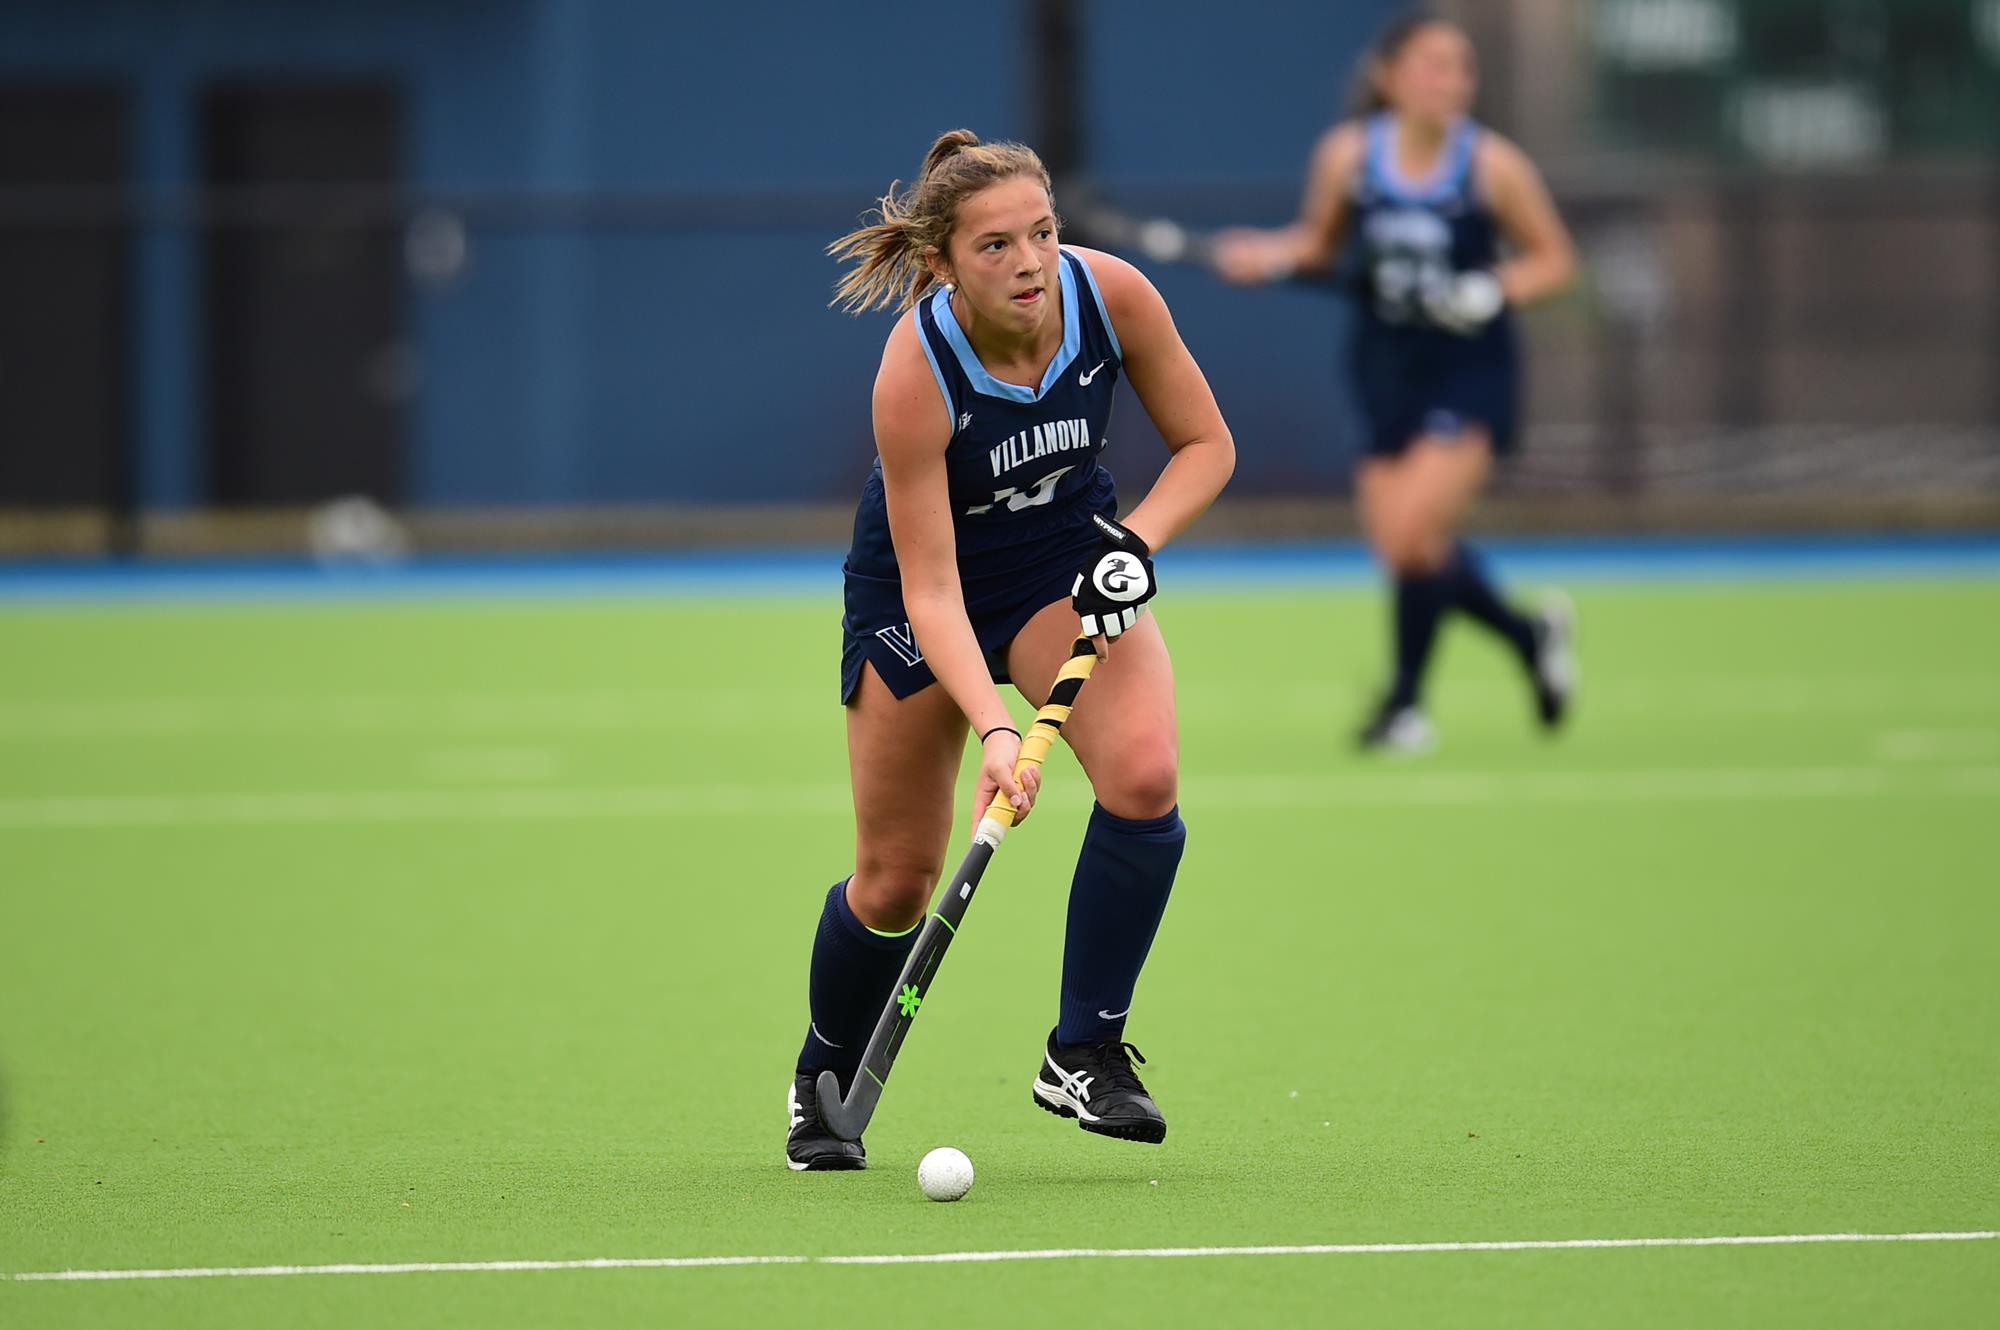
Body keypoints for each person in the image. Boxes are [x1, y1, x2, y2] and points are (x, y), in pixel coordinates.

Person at [785, 130, 1236, 1170]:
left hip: (1058, 569)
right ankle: (822, 1073)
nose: (1028, 262)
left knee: (1143, 775)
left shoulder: (1109, 297)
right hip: (917, 591)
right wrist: (996, 727)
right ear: (942, 262)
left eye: (1040, 233)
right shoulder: (915, 372)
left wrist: (1138, 544)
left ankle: (1082, 1047)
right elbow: (932, 584)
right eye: (994, 246)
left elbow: (1205, 446)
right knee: (897, 877)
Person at [1212, 11, 1579, 753]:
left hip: (1468, 370)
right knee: (1404, 548)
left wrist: (1492, 289)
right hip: (1384, 365)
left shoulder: (1491, 166)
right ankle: (1527, 636)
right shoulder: (1348, 155)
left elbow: (1555, 262)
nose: (1451, 82)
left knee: (1414, 536)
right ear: (1389, 77)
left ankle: (1406, 707)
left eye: (1461, 68)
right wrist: (1267, 257)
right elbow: (1319, 246)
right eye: (1433, 65)